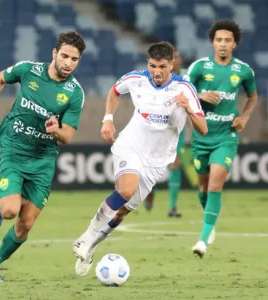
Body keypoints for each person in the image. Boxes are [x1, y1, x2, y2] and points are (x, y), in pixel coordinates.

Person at [72, 41, 207, 276]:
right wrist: (107, 119)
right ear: (148, 63)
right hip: (130, 146)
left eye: (162, 66)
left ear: (171, 65)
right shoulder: (136, 79)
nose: (157, 71)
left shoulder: (184, 89)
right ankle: (87, 235)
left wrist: (187, 109)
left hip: (157, 160)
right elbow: (114, 92)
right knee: (125, 190)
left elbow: (203, 128)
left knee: (124, 210)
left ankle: (90, 247)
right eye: (153, 65)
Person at [0, 32, 86, 283]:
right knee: (10, 211)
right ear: (54, 53)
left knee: (26, 223)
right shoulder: (29, 70)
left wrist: (56, 130)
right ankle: (1, 202)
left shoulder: (75, 93)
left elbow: (68, 136)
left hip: (43, 160)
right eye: (64, 56)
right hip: (14, 149)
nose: (68, 63)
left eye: (74, 59)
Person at [185, 19, 258, 258]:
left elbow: (252, 97)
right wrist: (201, 95)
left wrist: (245, 117)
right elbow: (182, 91)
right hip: (201, 136)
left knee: (216, 184)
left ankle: (203, 241)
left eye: (227, 40)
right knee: (204, 186)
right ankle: (210, 222)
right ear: (212, 43)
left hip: (227, 136)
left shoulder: (244, 71)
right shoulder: (199, 67)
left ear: (235, 43)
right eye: (219, 40)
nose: (223, 44)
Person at [144, 50, 187, 217]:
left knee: (175, 164)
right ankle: (150, 191)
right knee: (155, 165)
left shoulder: (187, 76)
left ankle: (172, 207)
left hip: (177, 130)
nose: (178, 59)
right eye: (174, 57)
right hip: (158, 127)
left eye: (178, 56)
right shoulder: (156, 77)